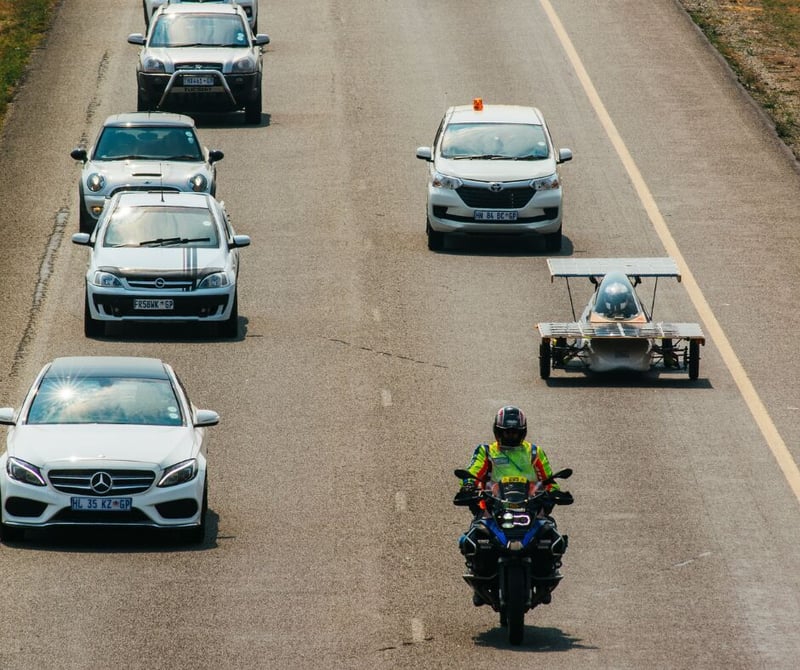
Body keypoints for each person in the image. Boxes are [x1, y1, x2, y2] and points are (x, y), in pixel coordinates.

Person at [456, 405, 564, 606]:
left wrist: (553, 491)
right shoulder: (486, 451)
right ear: (498, 431)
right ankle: (478, 572)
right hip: (494, 505)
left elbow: (548, 478)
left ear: (522, 432)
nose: (511, 436)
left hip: (529, 505)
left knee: (551, 534)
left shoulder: (534, 452)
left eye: (515, 432)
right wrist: (469, 486)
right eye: (507, 432)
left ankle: (546, 572)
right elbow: (473, 471)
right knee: (472, 538)